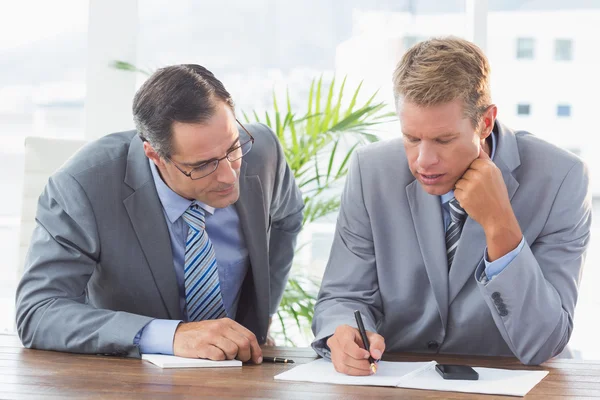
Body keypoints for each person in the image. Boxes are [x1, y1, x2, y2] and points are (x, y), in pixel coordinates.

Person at [311, 37, 591, 375]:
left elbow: (544, 342)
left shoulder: (562, 178)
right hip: (395, 380)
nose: (423, 161)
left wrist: (499, 223)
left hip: (508, 386)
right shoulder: (371, 171)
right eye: (411, 138)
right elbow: (342, 297)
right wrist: (343, 333)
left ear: (485, 122)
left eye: (443, 140)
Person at [15, 64, 304, 362]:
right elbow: (39, 311)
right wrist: (171, 335)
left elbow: (288, 219)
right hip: (128, 377)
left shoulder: (263, 153)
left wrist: (263, 313)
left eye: (233, 149)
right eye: (203, 165)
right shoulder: (82, 187)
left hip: (241, 370)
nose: (229, 176)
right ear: (154, 154)